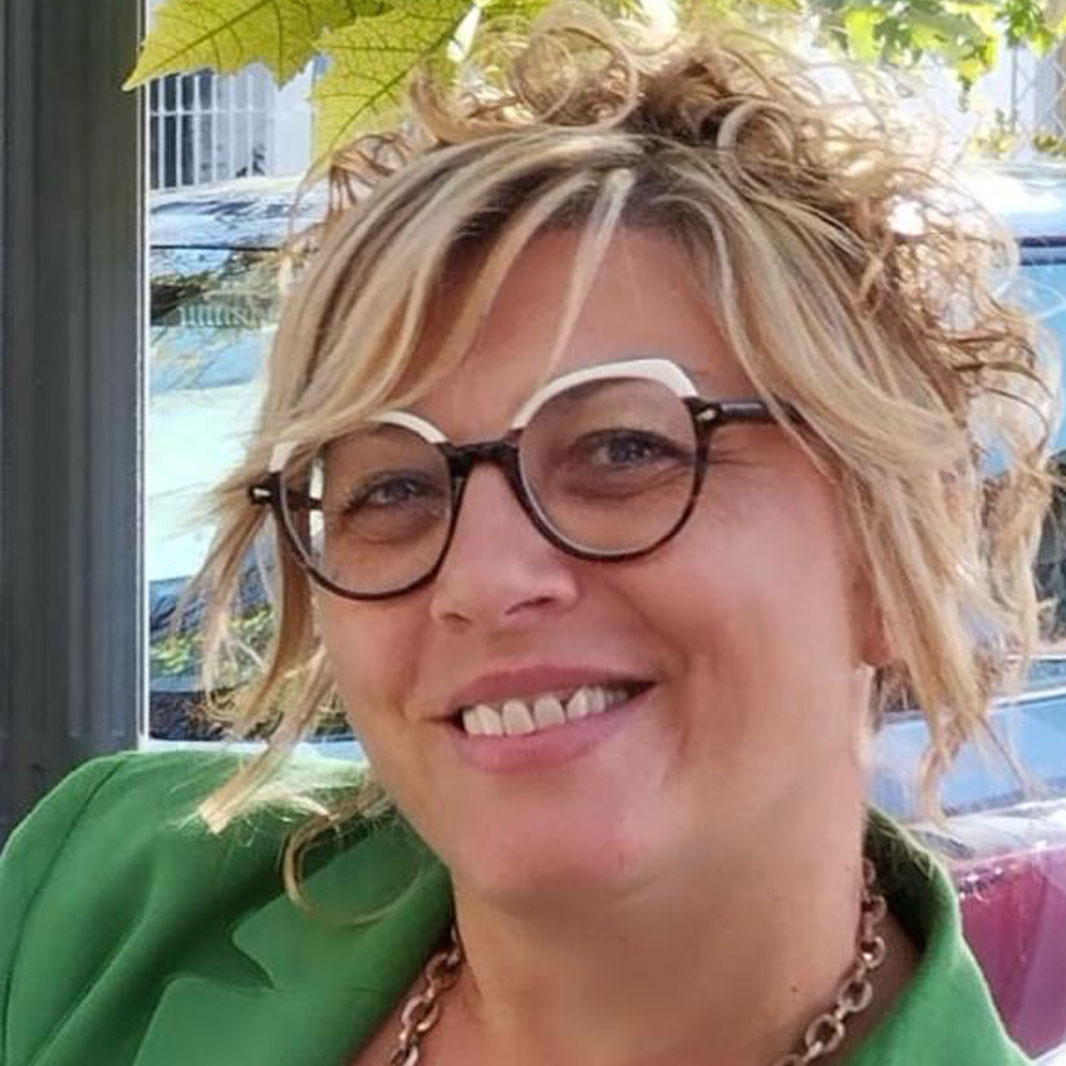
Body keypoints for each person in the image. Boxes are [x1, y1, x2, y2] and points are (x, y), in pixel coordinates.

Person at [0, 5, 1056, 1065]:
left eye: (624, 450)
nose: (483, 577)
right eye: (391, 488)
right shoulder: (104, 904)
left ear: (892, 543)